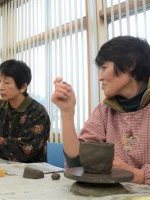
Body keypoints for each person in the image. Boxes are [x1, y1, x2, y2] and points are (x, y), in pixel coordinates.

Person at [51, 36, 150, 185]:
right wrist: (67, 113)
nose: (99, 77)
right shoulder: (105, 109)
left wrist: (138, 175)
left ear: (130, 65)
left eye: (104, 68)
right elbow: (77, 164)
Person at [0, 59, 50, 163]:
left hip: (31, 174)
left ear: (23, 87)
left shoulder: (38, 112)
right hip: (2, 169)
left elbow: (26, 151)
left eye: (6, 82)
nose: (0, 87)